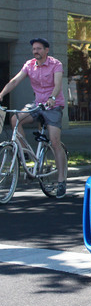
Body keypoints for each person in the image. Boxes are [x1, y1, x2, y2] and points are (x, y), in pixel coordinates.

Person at [0, 37, 68, 199]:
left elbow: (57, 85)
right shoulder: (29, 65)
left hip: (53, 105)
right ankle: (28, 154)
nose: (35, 51)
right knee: (16, 119)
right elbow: (15, 81)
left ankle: (61, 181)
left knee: (54, 141)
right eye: (34, 49)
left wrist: (52, 97)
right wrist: (1, 94)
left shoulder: (55, 64)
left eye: (38, 49)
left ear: (46, 50)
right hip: (37, 104)